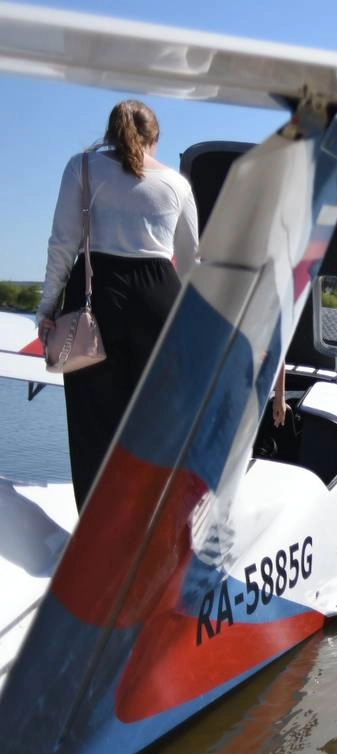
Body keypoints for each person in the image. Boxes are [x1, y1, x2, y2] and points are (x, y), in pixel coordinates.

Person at [38, 99, 198, 509]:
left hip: (95, 297)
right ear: (154, 138)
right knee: (161, 422)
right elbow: (191, 258)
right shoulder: (177, 184)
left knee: (93, 424)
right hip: (160, 299)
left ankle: (96, 535)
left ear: (110, 133)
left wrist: (47, 308)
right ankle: (152, 530)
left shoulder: (83, 167)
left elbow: (63, 244)